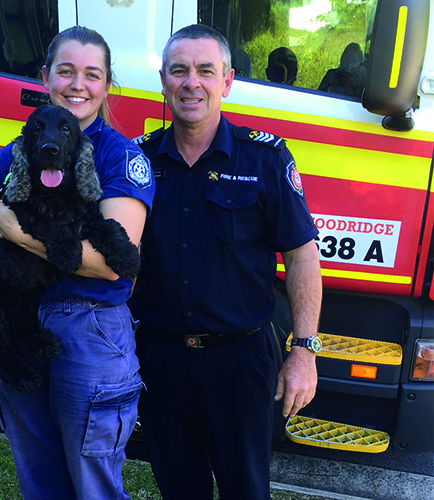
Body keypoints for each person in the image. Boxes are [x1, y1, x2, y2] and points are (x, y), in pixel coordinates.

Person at [0, 26, 155, 500]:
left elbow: (109, 264)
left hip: (89, 330)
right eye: (66, 71)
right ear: (46, 78)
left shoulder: (119, 156)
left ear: (106, 85)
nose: (78, 84)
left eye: (92, 74)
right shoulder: (18, 151)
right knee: (39, 481)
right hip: (20, 324)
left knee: (93, 486)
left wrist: (17, 232)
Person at [129, 24, 322, 499]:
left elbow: (301, 256)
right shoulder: (138, 161)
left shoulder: (265, 159)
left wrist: (304, 351)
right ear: (163, 81)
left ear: (228, 81)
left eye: (205, 71)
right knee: (179, 487)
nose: (191, 82)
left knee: (246, 490)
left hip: (240, 361)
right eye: (179, 71)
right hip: (160, 358)